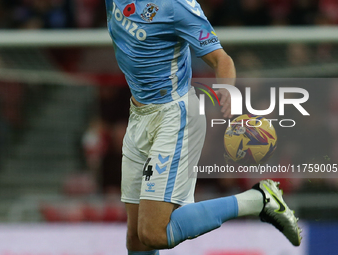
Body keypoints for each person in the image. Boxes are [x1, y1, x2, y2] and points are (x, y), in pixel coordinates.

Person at [105, 0, 302, 254]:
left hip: (174, 117)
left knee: (153, 232)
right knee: (136, 238)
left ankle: (260, 200)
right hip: (139, 116)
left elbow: (221, 59)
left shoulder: (176, 6)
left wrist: (228, 90)